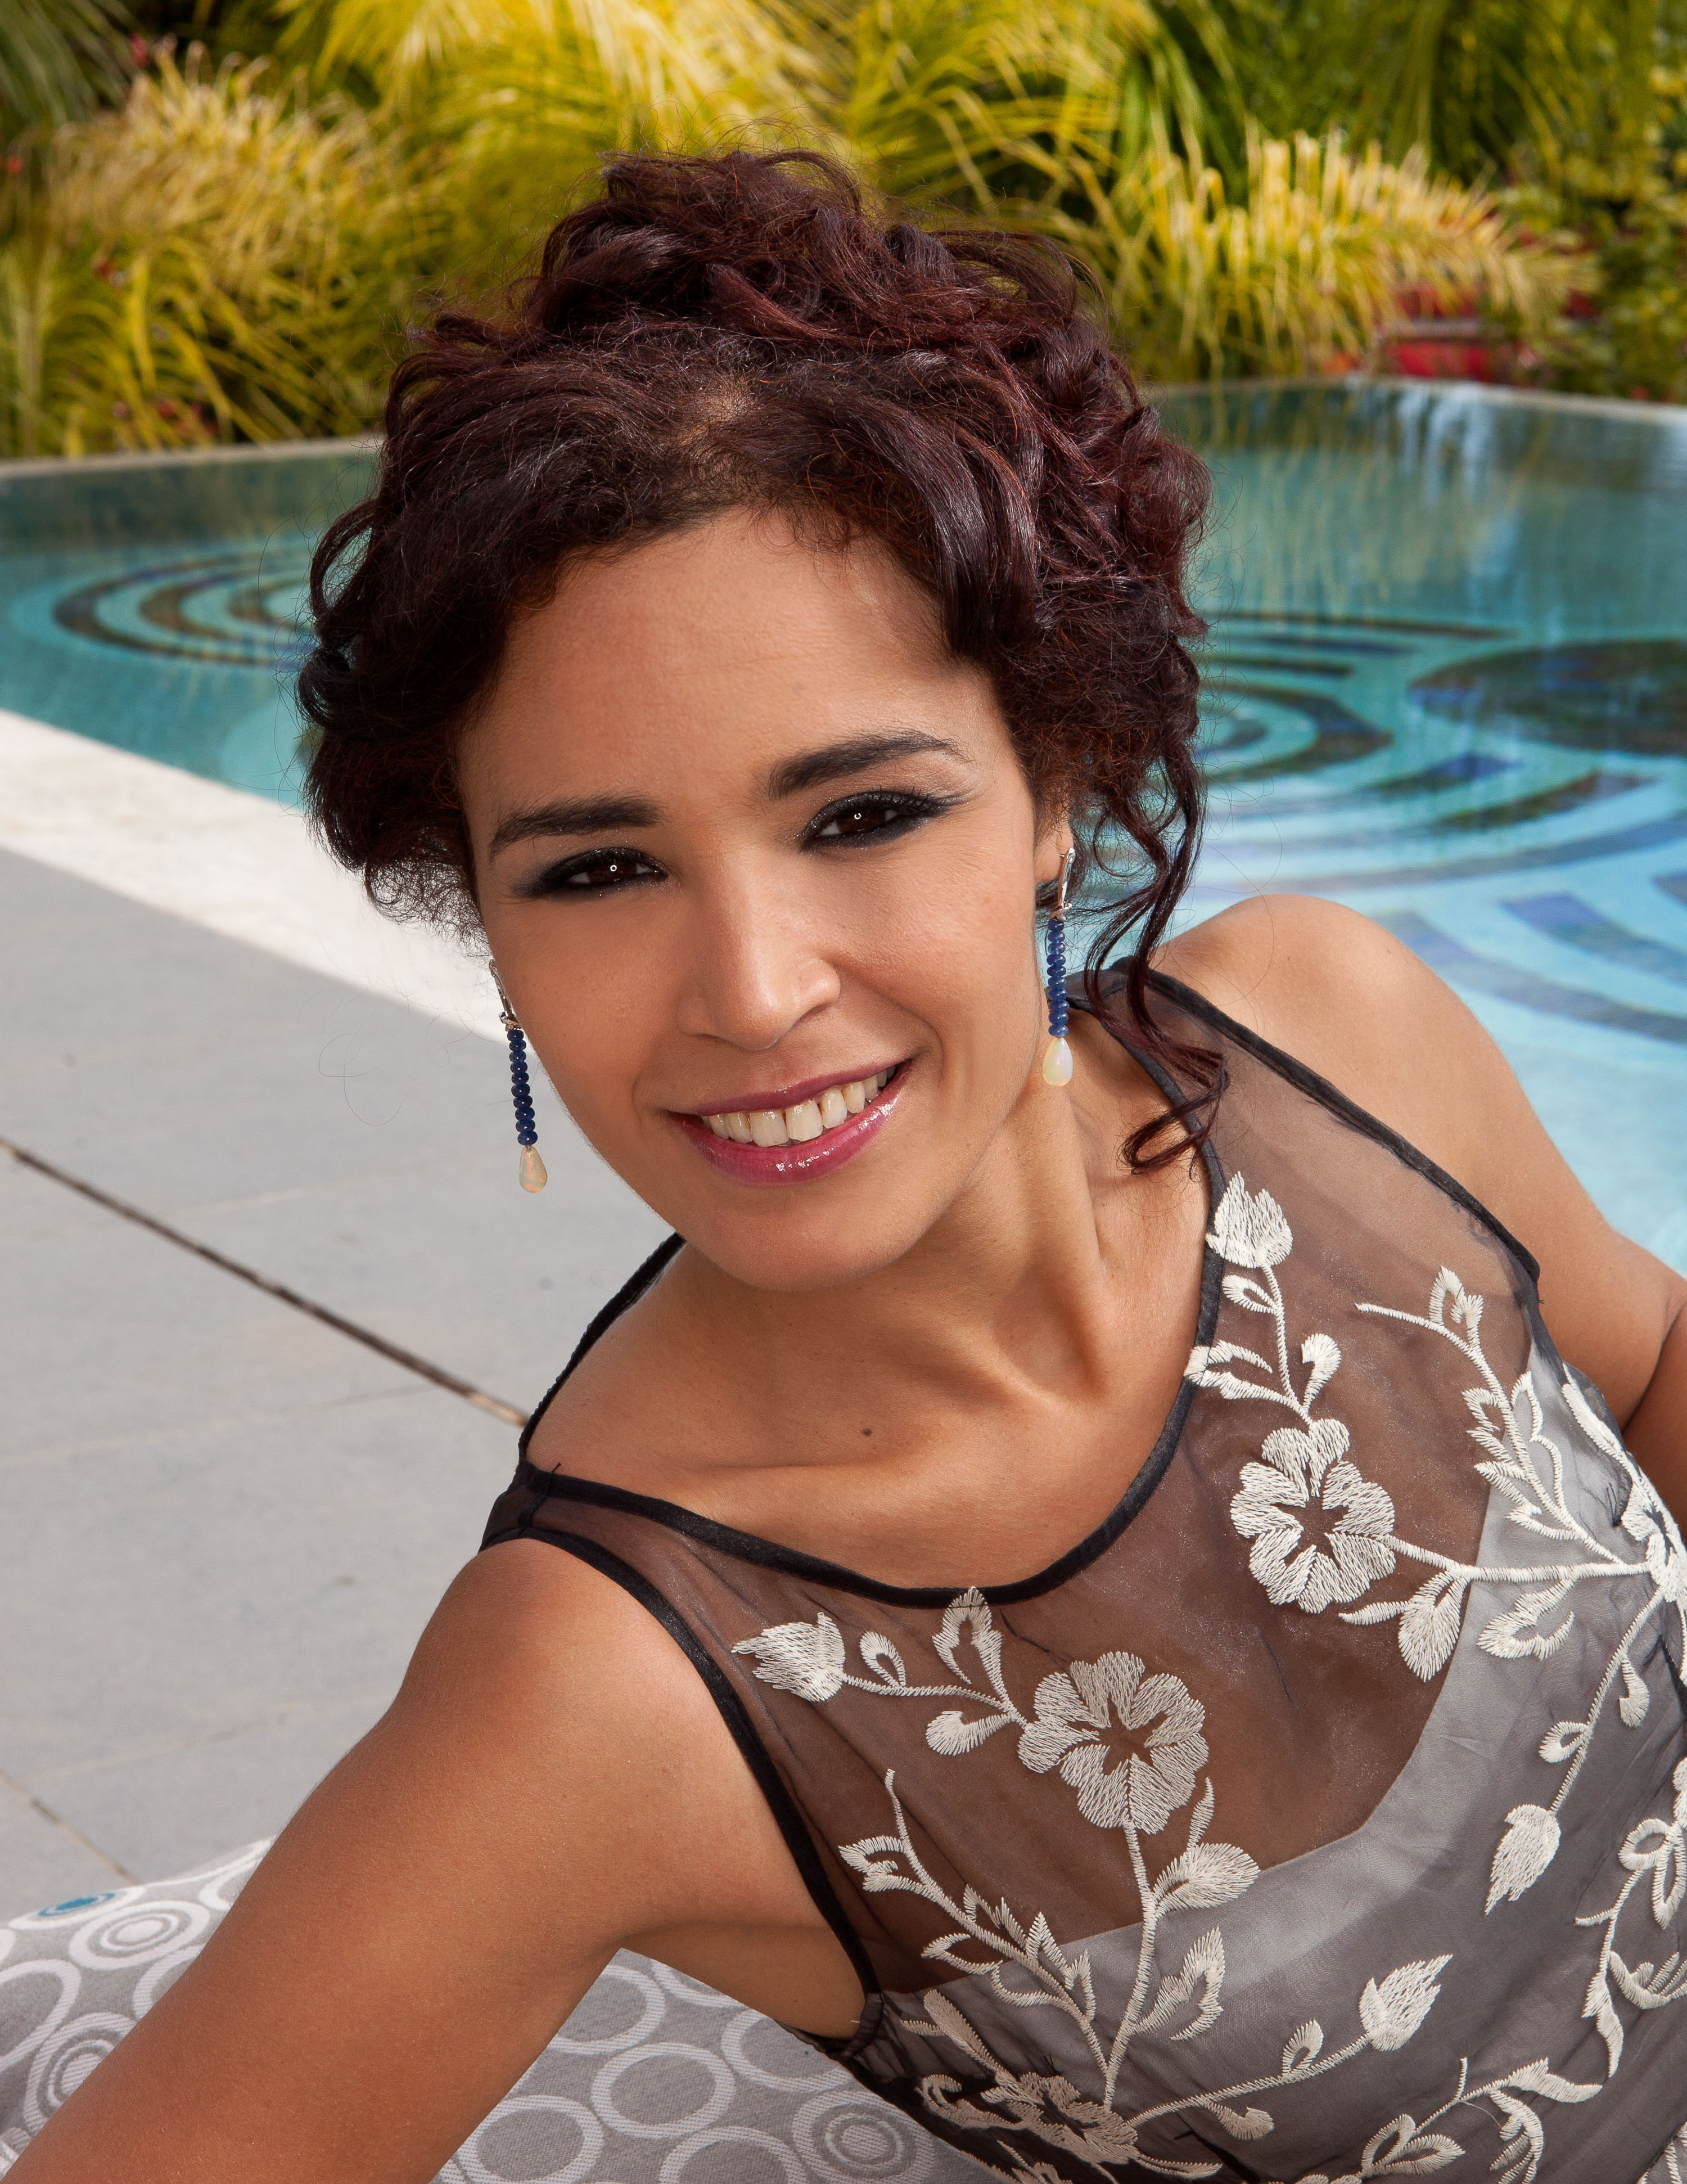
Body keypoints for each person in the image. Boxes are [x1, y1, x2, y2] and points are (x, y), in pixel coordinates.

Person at [15, 150, 1685, 2184]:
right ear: (488, 923)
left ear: (1058, 783)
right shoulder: (602, 1687)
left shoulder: (1332, 1045)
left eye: (863, 815)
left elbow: (1651, 1364)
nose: (754, 989)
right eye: (599, 869)